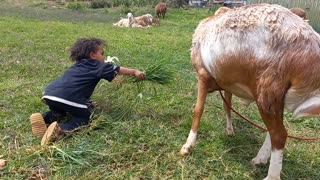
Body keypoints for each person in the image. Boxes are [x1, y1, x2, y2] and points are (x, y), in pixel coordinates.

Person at [30, 37, 145, 145]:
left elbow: (75, 85)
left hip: (51, 94)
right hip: (69, 97)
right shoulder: (99, 66)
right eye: (102, 54)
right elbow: (118, 69)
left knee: (59, 112)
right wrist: (135, 72)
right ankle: (60, 130)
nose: (104, 58)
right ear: (92, 55)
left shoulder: (77, 66)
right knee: (84, 118)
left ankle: (43, 119)